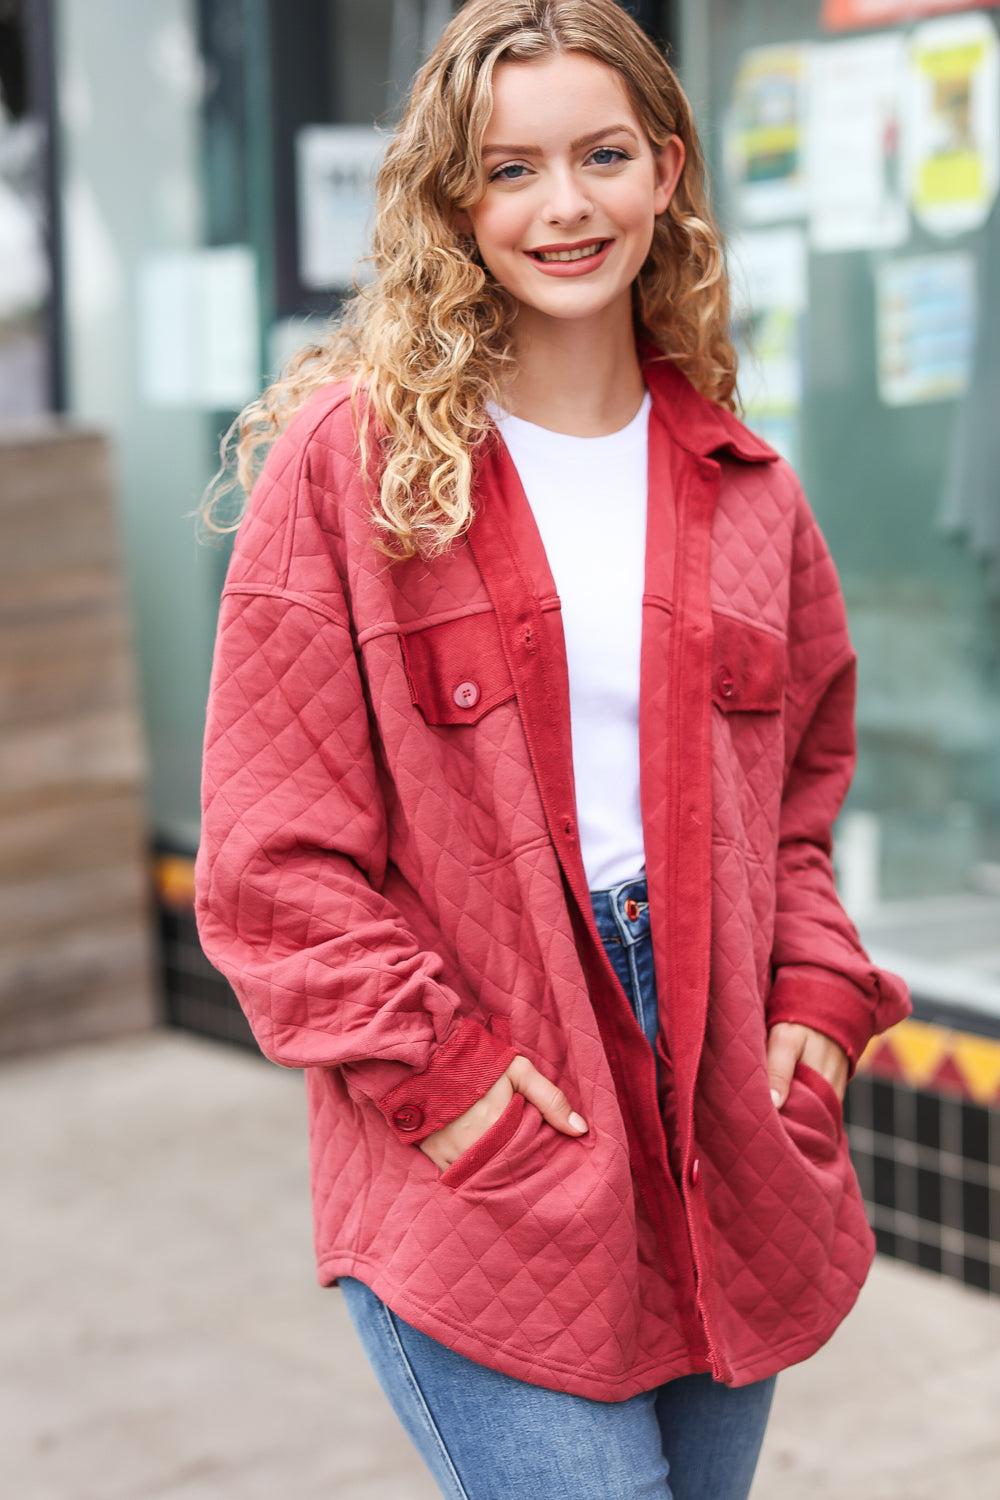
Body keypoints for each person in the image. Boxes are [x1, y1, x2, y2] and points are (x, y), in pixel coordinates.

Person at [195, 2, 910, 1495]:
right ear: (451, 202)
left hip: (721, 1093)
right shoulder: (357, 466)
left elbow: (800, 807)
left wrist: (818, 1008)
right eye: (510, 169)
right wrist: (445, 1075)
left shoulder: (746, 488)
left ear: (667, 173)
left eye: (600, 156)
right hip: (490, 1067)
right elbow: (273, 864)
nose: (564, 205)